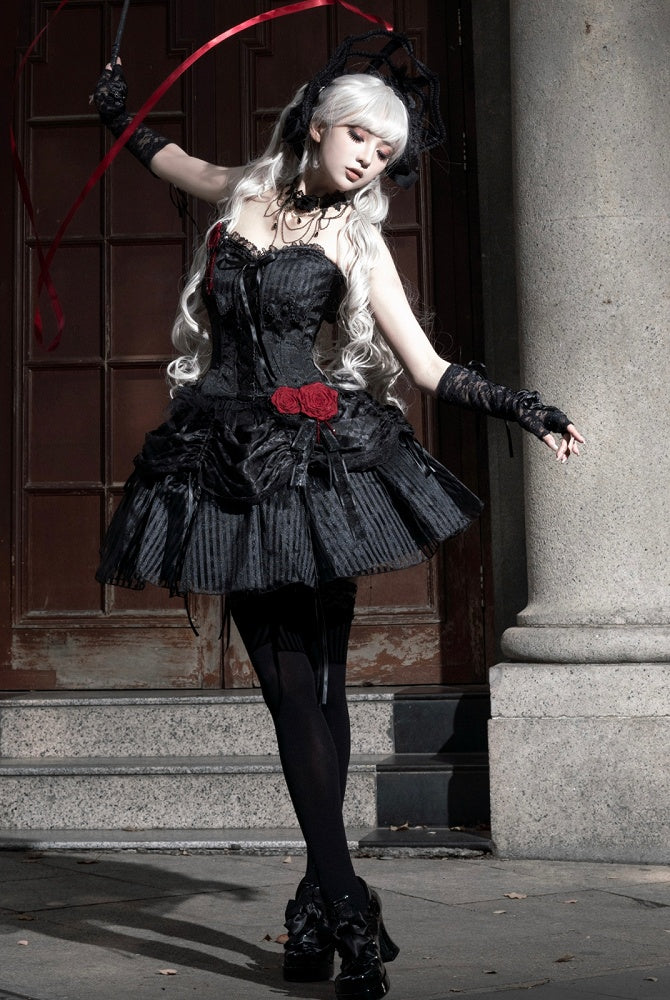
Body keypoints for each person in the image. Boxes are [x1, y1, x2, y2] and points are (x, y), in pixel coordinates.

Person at [92, 31, 583, 1000]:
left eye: (386, 152)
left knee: (319, 686)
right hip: (225, 461)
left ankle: (332, 906)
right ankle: (340, 900)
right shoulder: (240, 190)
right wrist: (117, 113)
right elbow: (168, 157)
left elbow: (429, 367)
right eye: (360, 137)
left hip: (316, 465)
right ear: (318, 124)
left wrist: (526, 408)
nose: (369, 160)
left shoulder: (357, 237)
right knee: (290, 692)